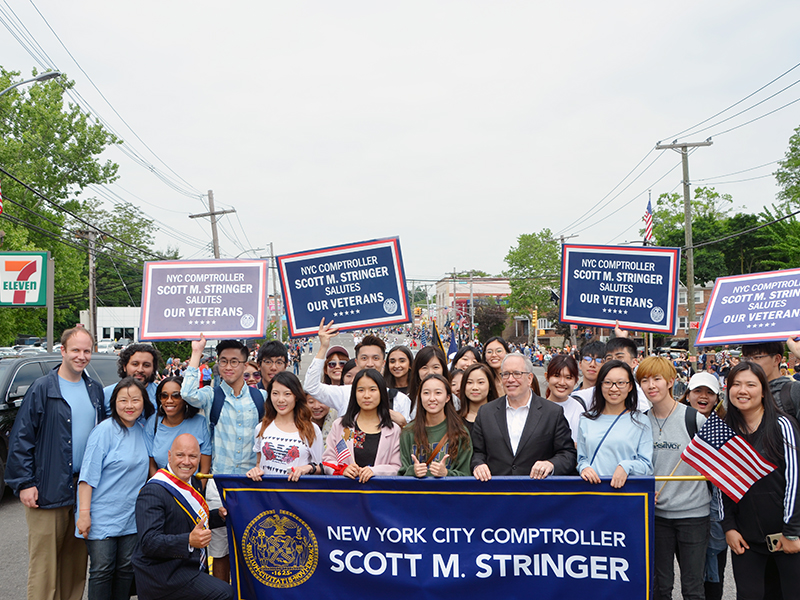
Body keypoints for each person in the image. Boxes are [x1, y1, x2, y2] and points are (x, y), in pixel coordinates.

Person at [6, 327, 106, 600]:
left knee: (75, 568)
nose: (81, 356)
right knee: (45, 566)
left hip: (82, 492)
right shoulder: (42, 388)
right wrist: (25, 483)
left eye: (86, 351)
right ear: (62, 351)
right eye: (75, 350)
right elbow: (21, 439)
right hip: (47, 490)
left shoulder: (94, 390)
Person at [181, 335, 267, 584]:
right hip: (219, 485)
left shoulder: (260, 397)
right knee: (219, 551)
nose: (228, 366)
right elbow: (187, 393)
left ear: (245, 364)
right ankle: (221, 592)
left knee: (252, 547)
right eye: (223, 361)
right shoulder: (211, 395)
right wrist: (196, 353)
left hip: (253, 484)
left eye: (234, 361)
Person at [719, 361, 800, 599]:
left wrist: (792, 531)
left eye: (750, 384)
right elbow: (722, 483)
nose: (742, 390)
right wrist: (729, 527)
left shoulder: (782, 425)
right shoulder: (725, 430)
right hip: (746, 540)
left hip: (787, 537)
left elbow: (795, 479)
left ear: (763, 390)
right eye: (736, 384)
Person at [636, 357, 709, 600]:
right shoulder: (639, 422)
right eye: (644, 380)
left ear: (670, 381)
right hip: (656, 516)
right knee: (659, 586)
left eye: (656, 379)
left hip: (694, 515)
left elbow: (715, 464)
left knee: (693, 588)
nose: (651, 385)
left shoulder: (694, 419)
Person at [76, 377, 155, 600]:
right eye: (123, 400)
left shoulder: (142, 430)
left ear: (144, 402)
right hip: (101, 516)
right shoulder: (103, 431)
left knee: (126, 570)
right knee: (102, 570)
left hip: (131, 517)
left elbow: (150, 468)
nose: (129, 406)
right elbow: (87, 478)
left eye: (135, 400)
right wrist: (84, 515)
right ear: (114, 403)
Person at [132, 434, 234, 600]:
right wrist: (188, 541)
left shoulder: (192, 481)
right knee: (226, 593)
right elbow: (148, 542)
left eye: (192, 456)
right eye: (180, 455)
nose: (186, 462)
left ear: (199, 458)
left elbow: (191, 519)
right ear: (170, 456)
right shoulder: (153, 491)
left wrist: (218, 517)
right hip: (163, 574)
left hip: (186, 566)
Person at [471, 353, 576, 480]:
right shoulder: (486, 412)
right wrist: (478, 465)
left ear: (530, 378)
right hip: (497, 493)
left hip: (536, 492)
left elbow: (568, 454)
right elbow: (477, 452)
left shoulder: (552, 413)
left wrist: (551, 464)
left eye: (517, 373)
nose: (510, 379)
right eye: (506, 374)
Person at [305, 319, 412, 426]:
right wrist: (323, 347)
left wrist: (403, 424)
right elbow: (311, 387)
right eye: (364, 358)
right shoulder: (343, 394)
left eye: (375, 358)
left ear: (383, 362)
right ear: (356, 362)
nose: (370, 364)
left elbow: (406, 439)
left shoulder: (400, 400)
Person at [577, 360, 652, 489]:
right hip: (593, 491)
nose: (614, 388)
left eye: (621, 383)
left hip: (627, 493)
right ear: (600, 385)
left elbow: (647, 466)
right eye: (607, 382)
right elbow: (581, 459)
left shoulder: (641, 421)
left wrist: (626, 466)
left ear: (630, 386)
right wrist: (584, 468)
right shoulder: (586, 419)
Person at [322, 369, 401, 481]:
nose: (366, 395)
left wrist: (374, 471)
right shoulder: (340, 425)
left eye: (372, 390)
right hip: (346, 493)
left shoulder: (393, 430)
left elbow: (397, 467)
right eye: (361, 390)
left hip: (378, 494)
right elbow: (327, 460)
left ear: (381, 393)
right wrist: (342, 470)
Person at [245, 372, 323, 480]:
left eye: (287, 394)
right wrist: (255, 471)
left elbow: (321, 468)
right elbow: (259, 462)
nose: (280, 400)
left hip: (296, 495)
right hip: (267, 494)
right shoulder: (261, 427)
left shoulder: (311, 429)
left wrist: (308, 468)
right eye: (275, 393)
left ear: (296, 396)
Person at [400, 374, 472, 477]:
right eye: (426, 393)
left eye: (438, 393)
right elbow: (401, 474)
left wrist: (446, 473)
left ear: (447, 397)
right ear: (420, 397)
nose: (432, 398)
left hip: (447, 492)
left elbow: (466, 475)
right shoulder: (408, 432)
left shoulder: (461, 432)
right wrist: (413, 472)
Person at [145, 376, 211, 478]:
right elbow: (151, 463)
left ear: (185, 398)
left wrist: (196, 491)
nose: (169, 400)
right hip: (162, 487)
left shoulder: (201, 423)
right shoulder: (153, 422)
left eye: (176, 395)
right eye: (164, 396)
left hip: (191, 488)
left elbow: (204, 469)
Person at [741, 341, 800, 422]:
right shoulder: (742, 392)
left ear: (776, 359)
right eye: (747, 358)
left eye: (757, 357)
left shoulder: (793, 390)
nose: (750, 363)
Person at [103, 343, 161, 415]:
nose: (140, 370)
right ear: (124, 367)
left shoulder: (161, 394)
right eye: (135, 364)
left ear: (153, 369)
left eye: (146, 365)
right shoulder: (107, 394)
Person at [544, 354, 584, 442]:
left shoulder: (578, 410)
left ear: (576, 381)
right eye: (557, 376)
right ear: (547, 377)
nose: (562, 382)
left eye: (568, 377)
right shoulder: (537, 409)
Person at [457, 363, 499, 434]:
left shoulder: (500, 417)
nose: (475, 387)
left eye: (480, 382)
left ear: (490, 386)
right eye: (469, 382)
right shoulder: (455, 419)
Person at [407, 346, 450, 410]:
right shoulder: (408, 400)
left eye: (435, 367)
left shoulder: (454, 400)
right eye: (424, 368)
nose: (430, 372)